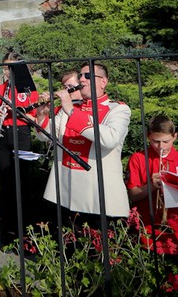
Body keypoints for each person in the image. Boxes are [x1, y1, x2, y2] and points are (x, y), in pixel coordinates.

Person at [35, 64, 130, 228]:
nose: (82, 79)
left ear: (103, 82)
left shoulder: (117, 109)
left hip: (97, 194)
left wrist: (72, 112)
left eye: (88, 76)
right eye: (81, 76)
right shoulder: (69, 108)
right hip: (66, 188)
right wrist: (42, 114)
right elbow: (46, 135)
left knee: (95, 249)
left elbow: (109, 139)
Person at [0, 53, 43, 248]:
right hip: (2, 134)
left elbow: (36, 116)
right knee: (6, 183)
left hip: (20, 133)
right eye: (5, 68)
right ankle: (5, 232)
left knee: (21, 182)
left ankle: (24, 233)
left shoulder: (28, 90)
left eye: (12, 68)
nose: (7, 72)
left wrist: (24, 113)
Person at [125, 114, 178, 241]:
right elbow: (132, 195)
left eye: (166, 141)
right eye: (156, 141)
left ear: (175, 136)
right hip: (148, 228)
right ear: (148, 136)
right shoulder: (138, 158)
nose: (161, 147)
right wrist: (152, 185)